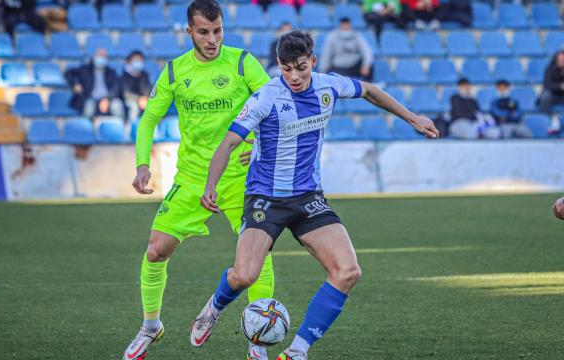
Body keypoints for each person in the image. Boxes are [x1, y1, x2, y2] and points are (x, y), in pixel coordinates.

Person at [190, 30, 438, 360]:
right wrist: (211, 185)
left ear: (313, 62)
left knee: (348, 272)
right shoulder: (266, 97)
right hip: (266, 197)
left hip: (309, 198)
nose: (294, 76)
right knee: (245, 274)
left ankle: (297, 350)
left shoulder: (329, 85)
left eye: (301, 68)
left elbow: (370, 91)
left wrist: (412, 118)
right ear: (278, 64)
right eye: (287, 69)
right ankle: (214, 307)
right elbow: (230, 142)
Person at [123, 1, 276, 359]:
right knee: (155, 249)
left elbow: (274, 102)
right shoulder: (175, 71)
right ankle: (151, 326)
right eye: (204, 32)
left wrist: (256, 143)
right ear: (188, 31)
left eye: (218, 31)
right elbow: (148, 121)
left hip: (240, 179)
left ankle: (258, 344)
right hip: (192, 178)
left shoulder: (241, 62)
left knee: (258, 258)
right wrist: (142, 163)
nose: (212, 39)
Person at [64, 48, 125, 119]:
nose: (101, 58)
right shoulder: (85, 69)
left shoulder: (111, 72)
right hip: (90, 98)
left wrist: (108, 99)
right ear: (94, 57)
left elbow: (116, 87)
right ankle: (86, 128)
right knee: (89, 106)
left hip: (107, 99)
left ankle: (120, 128)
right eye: (99, 55)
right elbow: (68, 73)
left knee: (117, 105)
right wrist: (75, 84)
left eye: (103, 56)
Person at [121, 51, 152, 122]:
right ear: (130, 61)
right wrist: (138, 99)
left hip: (144, 100)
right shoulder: (125, 76)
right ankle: (130, 129)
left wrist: (145, 98)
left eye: (140, 60)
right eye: (135, 60)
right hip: (130, 100)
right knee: (134, 107)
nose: (138, 62)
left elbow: (149, 89)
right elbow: (125, 93)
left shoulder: (145, 75)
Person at [538, 48, 564, 114]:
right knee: (545, 96)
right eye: (560, 59)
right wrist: (560, 86)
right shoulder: (550, 69)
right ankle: (546, 118)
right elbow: (547, 85)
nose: (562, 60)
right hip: (553, 95)